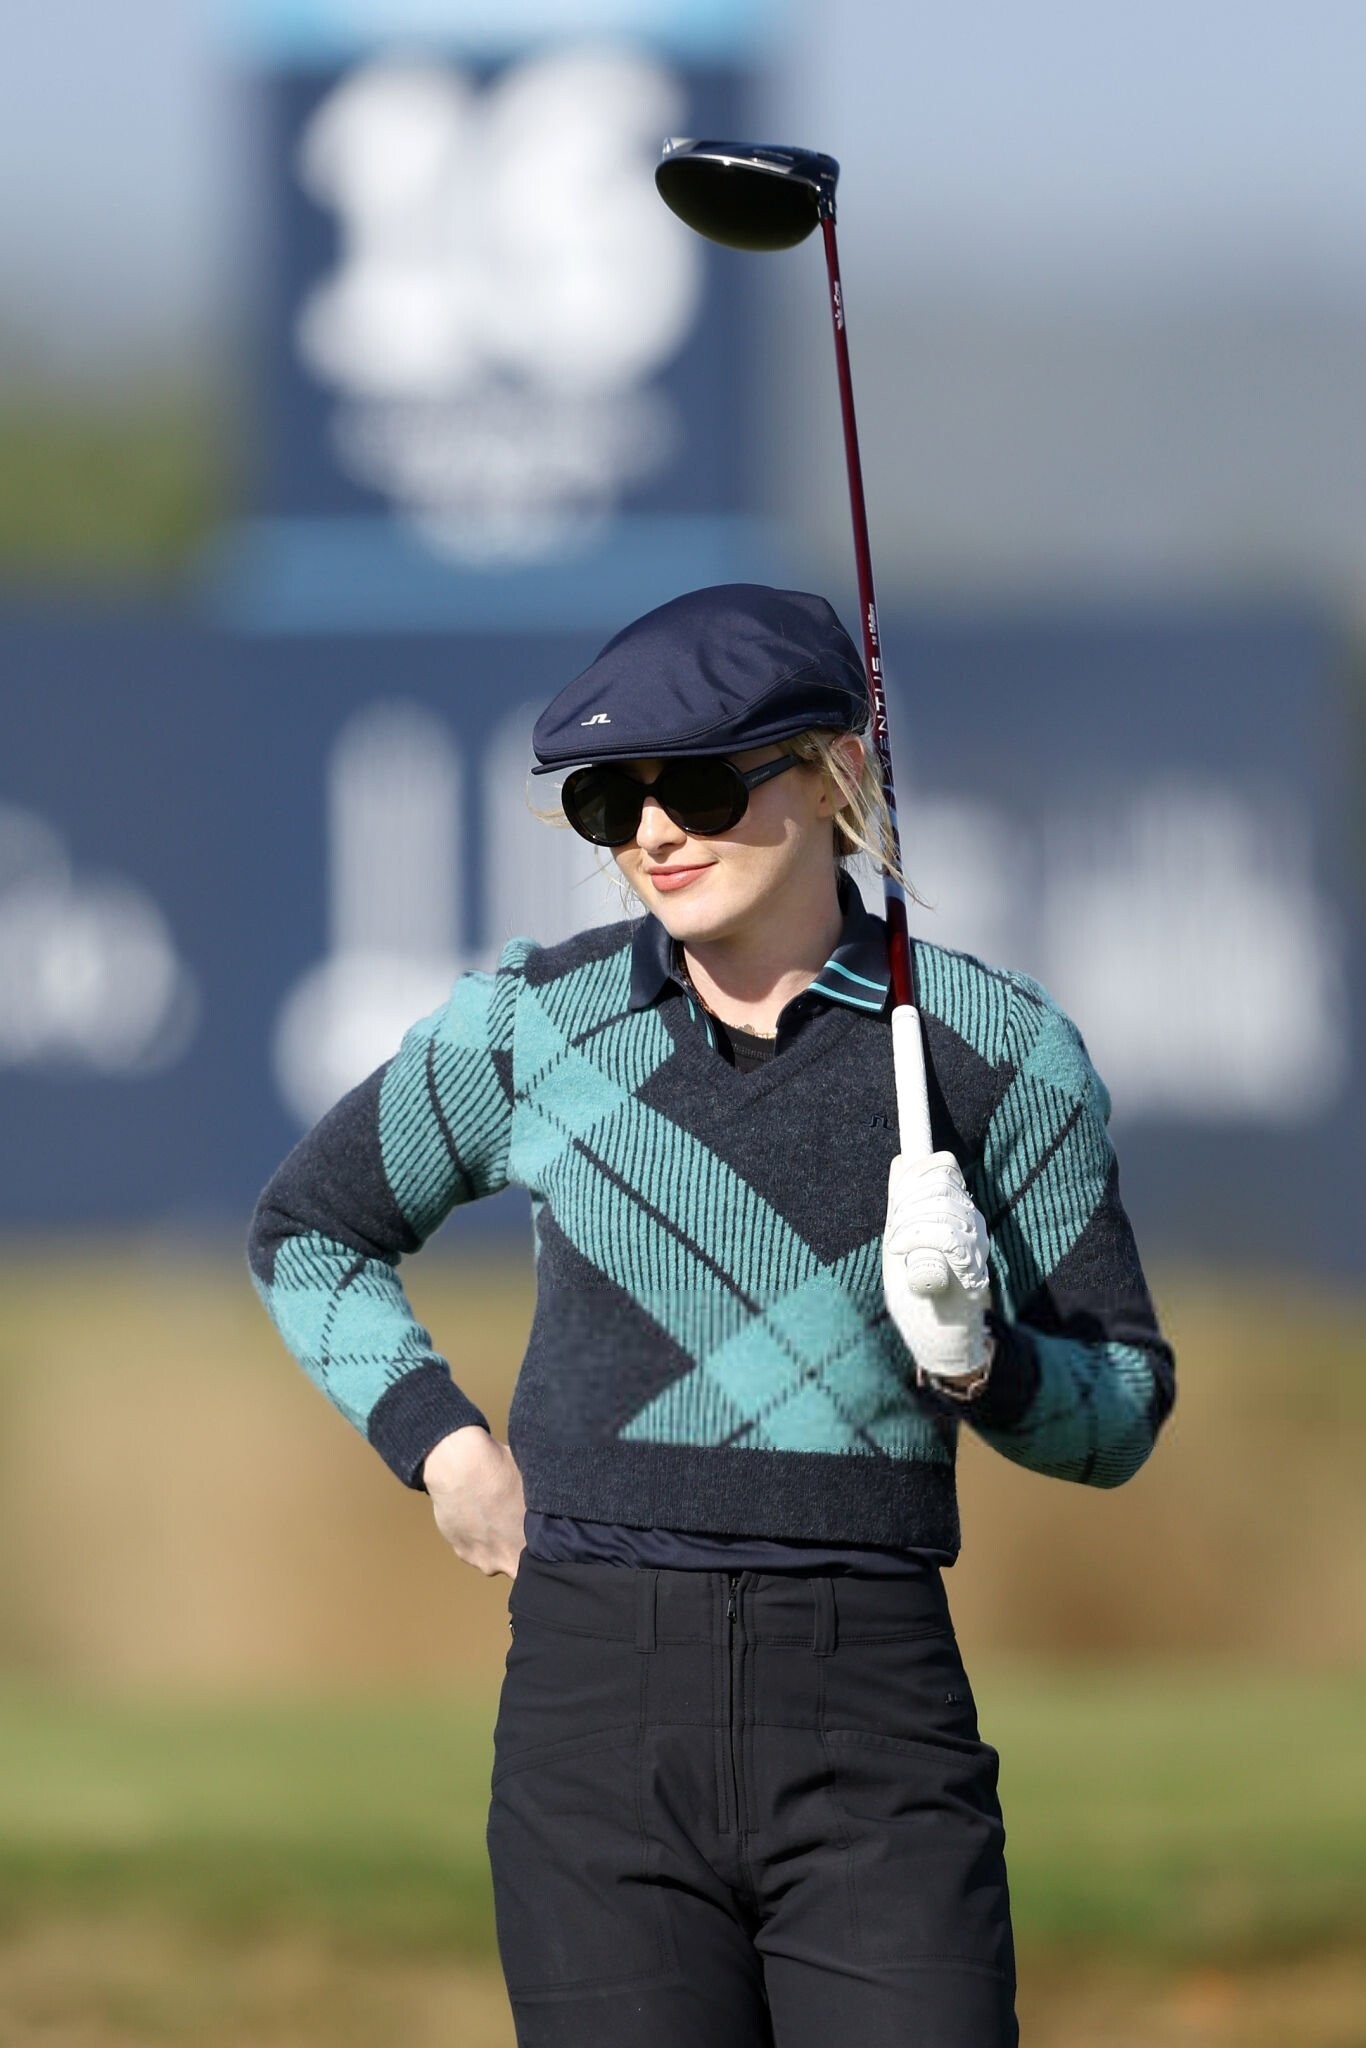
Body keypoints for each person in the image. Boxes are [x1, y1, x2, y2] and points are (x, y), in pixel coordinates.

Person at [249, 583, 1175, 2048]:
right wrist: (441, 1444)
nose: (652, 835)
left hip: (873, 1717)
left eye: (694, 787)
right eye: (610, 803)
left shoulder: (993, 1050)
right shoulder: (530, 1026)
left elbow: (1118, 1414)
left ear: (832, 772)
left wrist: (982, 1364)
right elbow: (310, 1233)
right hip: (592, 1713)